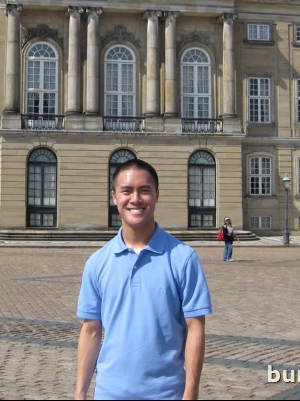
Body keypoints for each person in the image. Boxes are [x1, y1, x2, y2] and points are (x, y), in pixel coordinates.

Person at [75, 159, 212, 400]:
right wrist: (80, 393)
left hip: (167, 394)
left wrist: (191, 393)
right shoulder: (97, 263)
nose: (135, 199)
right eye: (126, 191)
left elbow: (195, 329)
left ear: (157, 195)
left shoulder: (183, 258)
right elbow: (91, 331)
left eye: (144, 190)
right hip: (109, 394)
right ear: (114, 197)